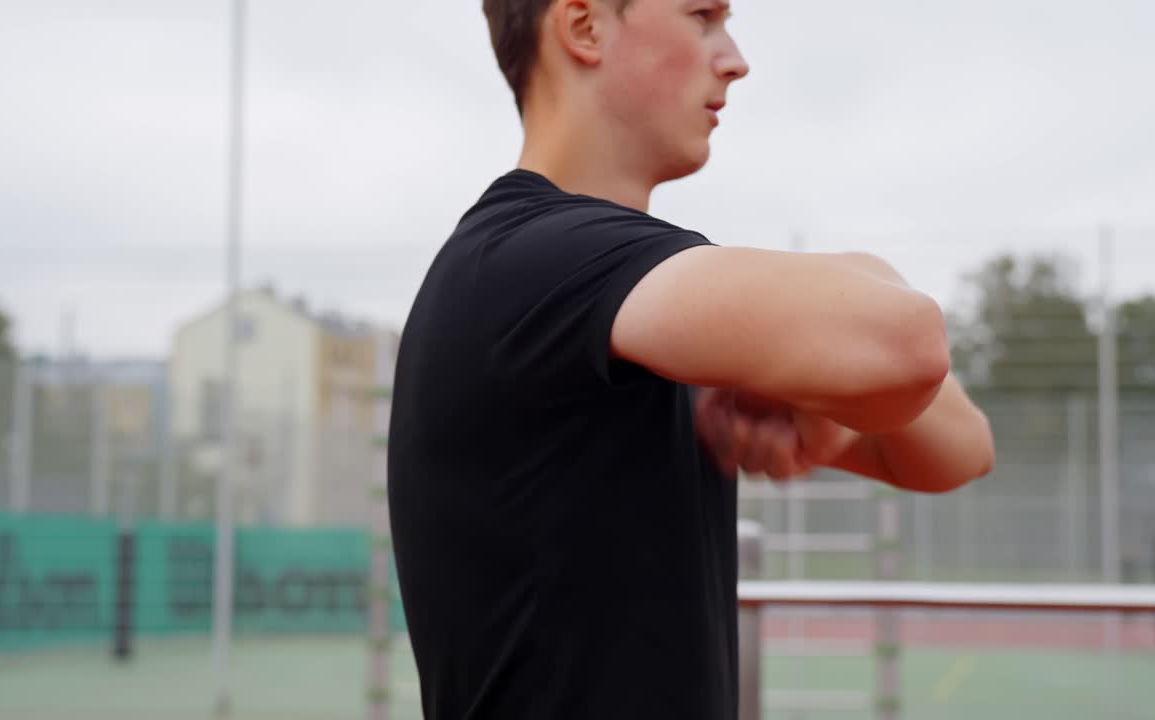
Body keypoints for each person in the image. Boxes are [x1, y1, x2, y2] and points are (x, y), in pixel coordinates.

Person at [386, 1, 996, 718]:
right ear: (584, 26)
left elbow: (960, 449)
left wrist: (833, 415)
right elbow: (907, 343)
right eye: (701, 15)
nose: (735, 58)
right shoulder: (535, 263)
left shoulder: (634, 304)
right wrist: (867, 290)